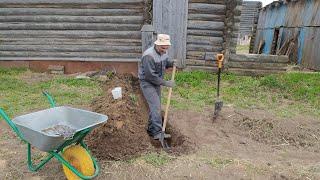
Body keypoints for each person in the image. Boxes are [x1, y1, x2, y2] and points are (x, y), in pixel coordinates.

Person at [138, 34, 175, 140]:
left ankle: (151, 129)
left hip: (156, 82)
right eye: (163, 48)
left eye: (166, 48)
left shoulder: (163, 51)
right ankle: (157, 133)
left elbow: (164, 63)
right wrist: (166, 83)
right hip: (147, 83)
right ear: (157, 44)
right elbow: (150, 76)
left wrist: (171, 63)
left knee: (155, 107)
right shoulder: (148, 56)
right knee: (156, 107)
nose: (165, 50)